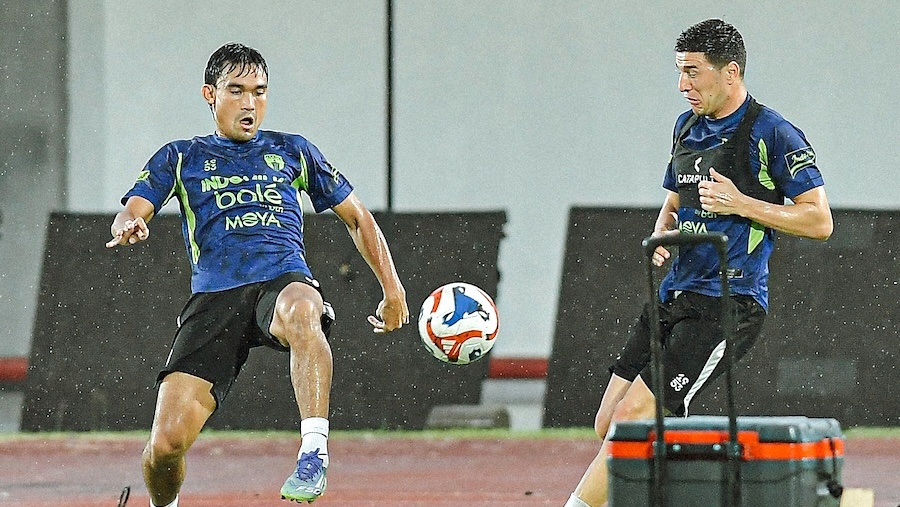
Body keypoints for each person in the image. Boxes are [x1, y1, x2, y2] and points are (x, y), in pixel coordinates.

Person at [106, 42, 409, 506]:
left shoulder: (293, 150)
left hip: (280, 280)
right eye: (236, 91)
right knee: (164, 448)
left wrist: (393, 288)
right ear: (210, 94)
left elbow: (357, 217)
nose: (250, 103)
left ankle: (313, 452)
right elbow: (134, 207)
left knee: (304, 309)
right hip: (215, 299)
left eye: (259, 92)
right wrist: (128, 223)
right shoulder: (181, 156)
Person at [564, 19, 832, 507]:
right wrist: (664, 232)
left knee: (633, 423)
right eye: (679, 71)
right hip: (674, 292)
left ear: (730, 73)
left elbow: (819, 221)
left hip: (727, 301)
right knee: (608, 426)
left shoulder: (773, 132)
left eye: (692, 71)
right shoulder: (686, 125)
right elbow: (674, 199)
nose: (682, 84)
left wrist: (741, 204)